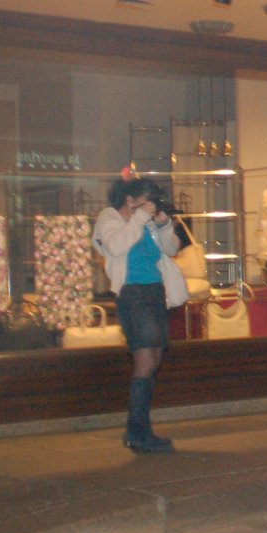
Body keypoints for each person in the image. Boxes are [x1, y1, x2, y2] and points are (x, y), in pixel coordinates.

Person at [93, 174, 187, 453]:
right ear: (129, 200)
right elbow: (115, 246)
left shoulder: (146, 221)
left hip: (155, 291)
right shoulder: (109, 217)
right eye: (146, 203)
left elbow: (172, 249)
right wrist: (139, 219)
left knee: (155, 357)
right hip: (133, 295)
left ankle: (139, 429)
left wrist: (164, 225)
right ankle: (137, 431)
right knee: (145, 359)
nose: (150, 208)